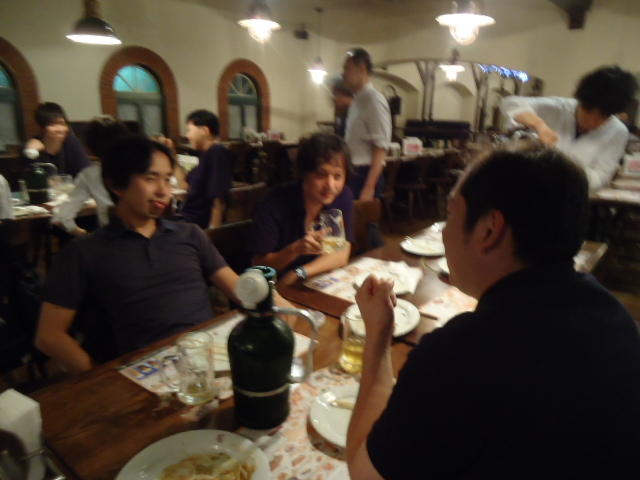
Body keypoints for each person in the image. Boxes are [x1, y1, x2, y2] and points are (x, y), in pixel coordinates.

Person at [346, 145, 640, 479]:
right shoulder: (616, 317)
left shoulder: (460, 357)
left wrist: (378, 335)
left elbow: (364, 473)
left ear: (489, 229)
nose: (444, 232)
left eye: (451, 214)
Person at [35, 135, 241, 373]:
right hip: (142, 372)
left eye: (167, 179)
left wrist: (275, 307)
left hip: (206, 358)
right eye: (150, 178)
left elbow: (237, 287)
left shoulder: (190, 235)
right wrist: (104, 379)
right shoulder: (84, 252)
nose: (163, 191)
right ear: (116, 185)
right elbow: (49, 336)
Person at [501, 65, 638, 192]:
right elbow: (511, 103)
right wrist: (540, 125)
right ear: (581, 101)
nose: (591, 122)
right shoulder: (560, 108)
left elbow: (600, 177)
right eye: (588, 111)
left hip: (569, 197)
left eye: (602, 117)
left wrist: (562, 169)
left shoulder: (618, 132)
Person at [249, 133, 354, 285]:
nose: (330, 185)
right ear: (304, 173)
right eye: (321, 175)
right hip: (273, 286)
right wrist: (295, 250)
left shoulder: (342, 196)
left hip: (311, 280)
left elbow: (342, 251)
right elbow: (259, 267)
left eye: (337, 176)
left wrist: (299, 273)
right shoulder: (273, 203)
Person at [52, 115, 129, 235]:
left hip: (112, 241)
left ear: (89, 146)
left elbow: (62, 216)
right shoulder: (141, 166)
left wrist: (85, 236)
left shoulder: (90, 174)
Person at [342, 48, 391, 200]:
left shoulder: (374, 99)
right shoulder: (358, 100)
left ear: (362, 68)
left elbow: (381, 147)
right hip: (354, 172)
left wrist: (369, 187)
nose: (344, 73)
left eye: (347, 68)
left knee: (361, 216)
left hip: (364, 175)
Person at [181, 110, 233, 229]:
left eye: (189, 130)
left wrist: (213, 232)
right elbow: (184, 186)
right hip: (188, 219)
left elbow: (218, 199)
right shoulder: (205, 155)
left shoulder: (217, 153)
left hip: (196, 225)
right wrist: (170, 154)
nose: (187, 136)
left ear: (205, 131)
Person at [24, 102, 90, 177]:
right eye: (52, 124)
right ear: (41, 127)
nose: (59, 129)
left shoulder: (72, 143)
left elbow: (86, 172)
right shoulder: (32, 147)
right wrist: (31, 153)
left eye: (62, 124)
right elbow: (33, 177)